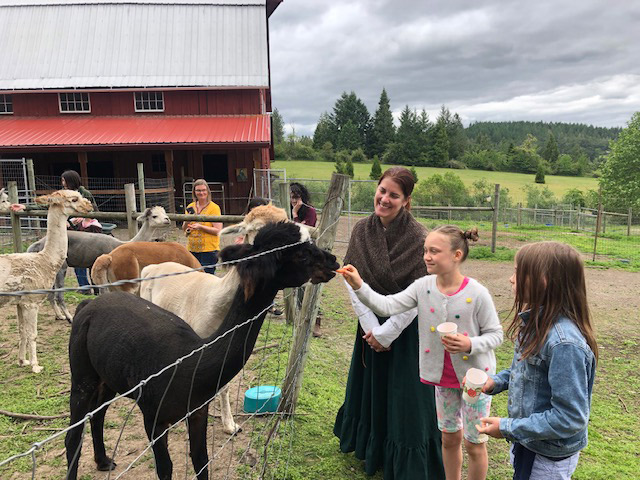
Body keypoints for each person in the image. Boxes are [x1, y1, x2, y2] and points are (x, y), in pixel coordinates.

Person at [340, 224, 503, 480]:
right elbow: (387, 305)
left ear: (456, 255)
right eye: (425, 250)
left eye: (434, 251)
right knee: (449, 439)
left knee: (474, 443)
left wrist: (469, 344)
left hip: (475, 380)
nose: (426, 256)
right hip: (442, 380)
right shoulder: (423, 287)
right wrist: (359, 285)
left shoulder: (477, 293)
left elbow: (496, 335)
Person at [333, 167, 445, 479]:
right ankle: (374, 448)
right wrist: (372, 327)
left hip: (406, 331)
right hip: (370, 326)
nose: (384, 198)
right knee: (374, 389)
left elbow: (421, 294)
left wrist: (388, 332)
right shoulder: (361, 230)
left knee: (404, 395)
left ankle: (406, 457)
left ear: (406, 200)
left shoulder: (420, 239)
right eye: (382, 190)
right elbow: (351, 278)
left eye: (393, 195)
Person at [476, 242, 598, 480]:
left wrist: (507, 427)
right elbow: (524, 372)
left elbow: (569, 417)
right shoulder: (536, 324)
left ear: (544, 280)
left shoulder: (564, 343)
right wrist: (496, 382)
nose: (511, 279)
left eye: (517, 272)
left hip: (548, 457)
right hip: (529, 442)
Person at [61, 170, 100, 290]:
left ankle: (96, 286)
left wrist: (83, 217)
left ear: (70, 180)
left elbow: (95, 211)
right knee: (77, 258)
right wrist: (65, 221)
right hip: (72, 231)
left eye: (64, 180)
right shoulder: (64, 194)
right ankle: (84, 286)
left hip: (86, 231)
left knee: (91, 258)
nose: (62, 183)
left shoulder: (84, 193)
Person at [183, 179, 222, 275]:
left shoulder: (214, 208)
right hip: (192, 249)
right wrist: (188, 224)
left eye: (203, 190)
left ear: (208, 191)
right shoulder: (190, 207)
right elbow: (184, 228)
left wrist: (201, 227)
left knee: (206, 276)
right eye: (198, 190)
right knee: (193, 276)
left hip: (208, 250)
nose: (201, 193)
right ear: (194, 192)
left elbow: (218, 230)